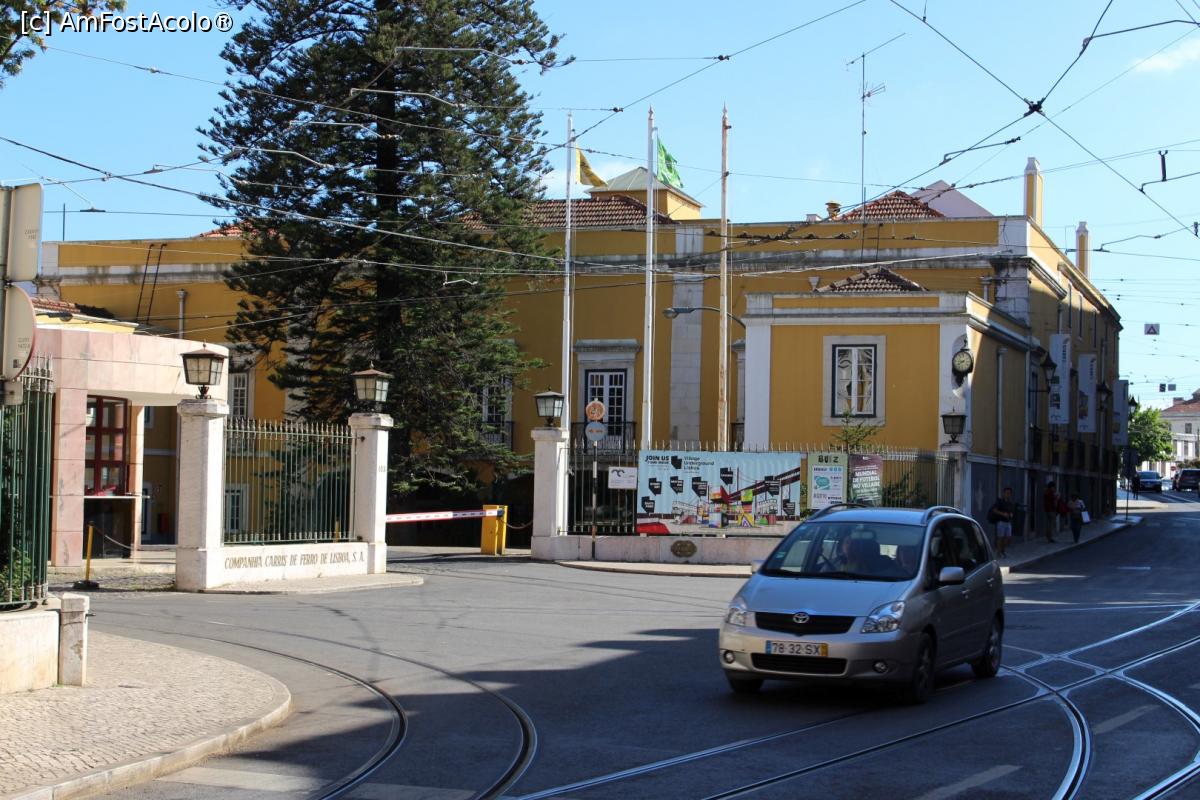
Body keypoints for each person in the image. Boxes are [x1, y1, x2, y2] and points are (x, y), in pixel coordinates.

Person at [988, 487, 1015, 558]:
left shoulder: (1010, 503)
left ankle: (1002, 550)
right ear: (1004, 493)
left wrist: (1011, 514)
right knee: (1000, 538)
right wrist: (1003, 514)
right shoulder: (1000, 501)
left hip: (1008, 522)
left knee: (1008, 538)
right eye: (1006, 493)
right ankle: (999, 552)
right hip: (1001, 522)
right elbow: (994, 510)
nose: (1008, 494)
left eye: (1009, 493)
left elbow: (1012, 511)